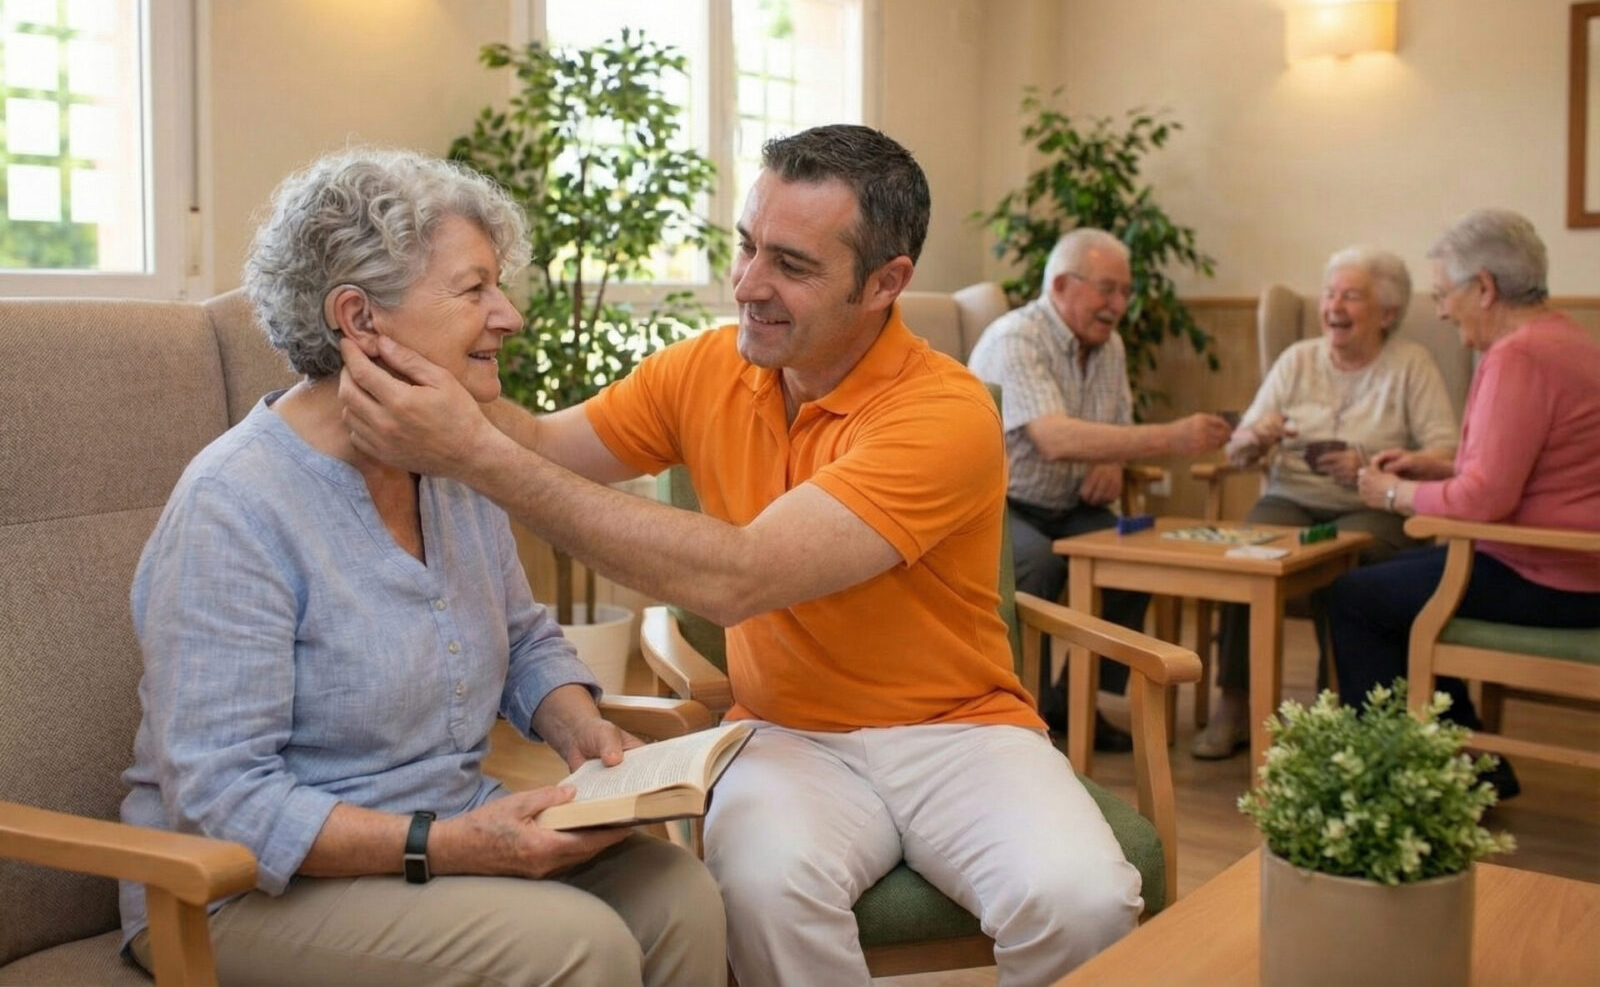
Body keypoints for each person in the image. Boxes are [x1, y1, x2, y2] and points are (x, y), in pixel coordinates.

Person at [338, 126, 1144, 987]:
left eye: (792, 266)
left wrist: (473, 453)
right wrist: (419, 373)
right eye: (746, 247)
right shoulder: (703, 370)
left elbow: (742, 575)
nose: (749, 286)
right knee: (759, 891)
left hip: (962, 734)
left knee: (1084, 901)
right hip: (784, 734)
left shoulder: (942, 413)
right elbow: (542, 446)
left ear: (885, 284)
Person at [118, 148, 725, 986]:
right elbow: (225, 801)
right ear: (360, 319)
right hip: (242, 889)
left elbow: (523, 638)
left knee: (681, 895)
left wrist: (579, 727)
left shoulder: (446, 462)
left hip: (436, 832)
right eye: (474, 289)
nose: (509, 315)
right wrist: (452, 846)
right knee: (577, 945)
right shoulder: (236, 505)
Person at [1333, 209, 1600, 798]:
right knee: (1387, 581)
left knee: (1356, 598)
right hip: (1574, 565)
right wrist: (1438, 467)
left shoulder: (1517, 356)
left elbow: (1483, 500)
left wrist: (1394, 493)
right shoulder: (1568, 336)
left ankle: (1387, 787)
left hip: (1550, 574)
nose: (1443, 310)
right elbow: (1524, 467)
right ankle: (1472, 764)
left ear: (1484, 287)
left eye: (1443, 294)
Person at [967, 228, 1234, 749]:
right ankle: (1023, 715)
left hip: (1070, 504)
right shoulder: (1016, 339)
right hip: (998, 505)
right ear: (1063, 285)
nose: (1119, 305)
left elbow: (1115, 425)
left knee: (1135, 555)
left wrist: (1114, 456)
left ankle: (1075, 701)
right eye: (1108, 290)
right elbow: (1054, 438)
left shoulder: (1108, 346)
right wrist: (1174, 436)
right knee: (1036, 562)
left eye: (1125, 293)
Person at [1191, 247, 1458, 758]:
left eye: (1351, 296)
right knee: (1244, 555)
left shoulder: (1410, 365)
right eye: (1330, 293)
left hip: (1372, 503)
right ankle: (1235, 702)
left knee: (1347, 570)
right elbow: (1239, 446)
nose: (1334, 305)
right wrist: (1256, 437)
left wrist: (1370, 461)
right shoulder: (1297, 360)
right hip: (1291, 495)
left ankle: (1333, 707)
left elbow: (1445, 452)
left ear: (1387, 313)